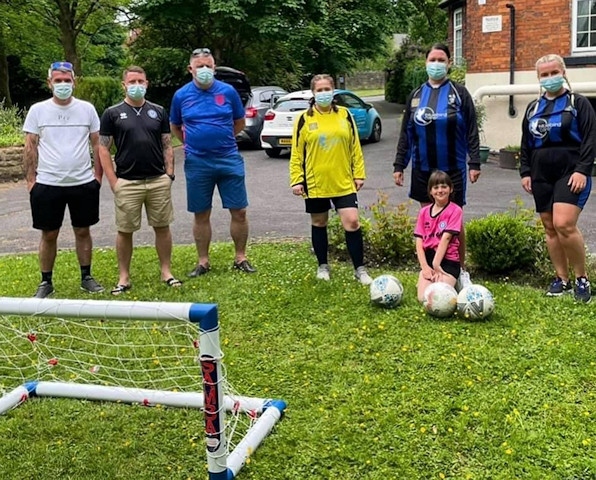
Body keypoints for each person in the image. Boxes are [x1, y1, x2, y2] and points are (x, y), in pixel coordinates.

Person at [393, 43, 480, 289]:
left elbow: (472, 129)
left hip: (453, 168)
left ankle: (460, 270)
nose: (437, 63)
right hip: (423, 169)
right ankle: (431, 269)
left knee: (455, 223)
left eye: (441, 59)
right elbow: (406, 134)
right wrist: (400, 164)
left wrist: (474, 162)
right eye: (433, 59)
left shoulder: (459, 93)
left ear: (449, 63)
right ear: (426, 63)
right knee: (429, 222)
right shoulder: (416, 95)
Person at [169, 47, 256, 277]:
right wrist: (192, 142)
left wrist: (222, 138)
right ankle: (203, 261)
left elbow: (239, 122)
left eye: (209, 66)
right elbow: (175, 126)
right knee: (201, 213)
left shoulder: (228, 92)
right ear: (191, 69)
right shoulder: (181, 95)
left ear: (214, 67)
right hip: (197, 161)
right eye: (200, 67)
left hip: (228, 158)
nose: (205, 70)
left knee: (239, 211)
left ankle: (240, 257)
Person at [23, 61, 104, 298]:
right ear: (50, 83)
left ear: (74, 82)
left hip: (82, 182)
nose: (62, 84)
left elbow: (97, 142)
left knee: (83, 231)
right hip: (48, 184)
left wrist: (97, 176)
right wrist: (30, 180)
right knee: (49, 234)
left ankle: (86, 276)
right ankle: (46, 281)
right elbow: (30, 145)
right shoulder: (38, 110)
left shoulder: (87, 109)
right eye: (57, 80)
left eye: (66, 80)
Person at [99, 66, 181, 295]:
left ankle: (167, 271)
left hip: (157, 180)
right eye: (132, 81)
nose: (137, 85)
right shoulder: (112, 113)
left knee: (162, 227)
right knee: (125, 230)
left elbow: (168, 144)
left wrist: (169, 174)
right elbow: (103, 149)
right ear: (124, 85)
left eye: (141, 81)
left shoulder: (158, 111)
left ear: (147, 83)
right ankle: (123, 277)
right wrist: (113, 181)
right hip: (127, 182)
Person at [520, 54, 596, 303]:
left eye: (554, 72)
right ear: (538, 78)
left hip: (570, 172)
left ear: (563, 73)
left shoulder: (578, 103)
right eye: (544, 74)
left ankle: (581, 278)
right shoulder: (533, 107)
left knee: (564, 224)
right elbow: (526, 143)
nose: (550, 78)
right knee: (550, 227)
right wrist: (525, 172)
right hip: (541, 174)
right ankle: (561, 279)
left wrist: (582, 169)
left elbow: (589, 138)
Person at [289, 74, 372, 285]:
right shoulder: (303, 119)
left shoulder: (344, 115)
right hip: (316, 182)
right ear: (313, 93)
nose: (324, 93)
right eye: (320, 90)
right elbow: (297, 152)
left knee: (352, 222)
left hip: (343, 180)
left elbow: (355, 146)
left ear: (333, 91)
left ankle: (359, 269)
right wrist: (297, 179)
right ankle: (323, 266)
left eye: (327, 89)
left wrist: (359, 173)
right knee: (319, 222)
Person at [414, 170, 462, 302]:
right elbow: (419, 241)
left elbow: (446, 238)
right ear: (430, 191)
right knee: (423, 298)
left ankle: (455, 280)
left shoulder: (455, 210)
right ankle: (426, 279)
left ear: (450, 189)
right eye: (436, 187)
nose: (440, 190)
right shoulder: (424, 212)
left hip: (447, 261)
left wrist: (436, 265)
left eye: (444, 186)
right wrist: (425, 267)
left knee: (439, 298)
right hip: (429, 260)